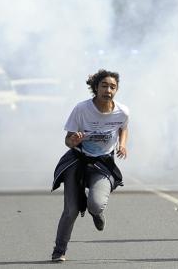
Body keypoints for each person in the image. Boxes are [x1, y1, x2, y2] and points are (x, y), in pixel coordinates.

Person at [51, 69, 129, 262]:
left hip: (102, 164)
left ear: (117, 90)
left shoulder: (122, 111)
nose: (108, 90)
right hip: (77, 161)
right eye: (104, 86)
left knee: (95, 204)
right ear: (96, 88)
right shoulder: (81, 109)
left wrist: (123, 144)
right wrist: (74, 141)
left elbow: (124, 127)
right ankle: (59, 250)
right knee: (71, 210)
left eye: (112, 87)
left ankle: (96, 212)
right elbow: (67, 140)